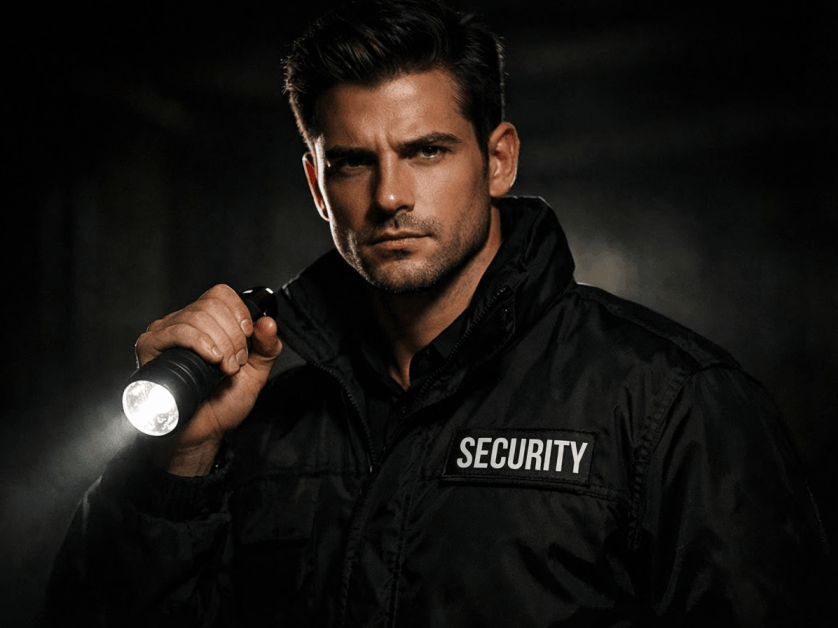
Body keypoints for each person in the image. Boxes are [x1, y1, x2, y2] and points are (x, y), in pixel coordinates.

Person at [47, 0, 833, 625]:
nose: (388, 197)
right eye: (352, 163)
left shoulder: (671, 400)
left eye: (426, 151)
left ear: (497, 159)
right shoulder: (251, 407)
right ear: (319, 187)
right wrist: (178, 470)